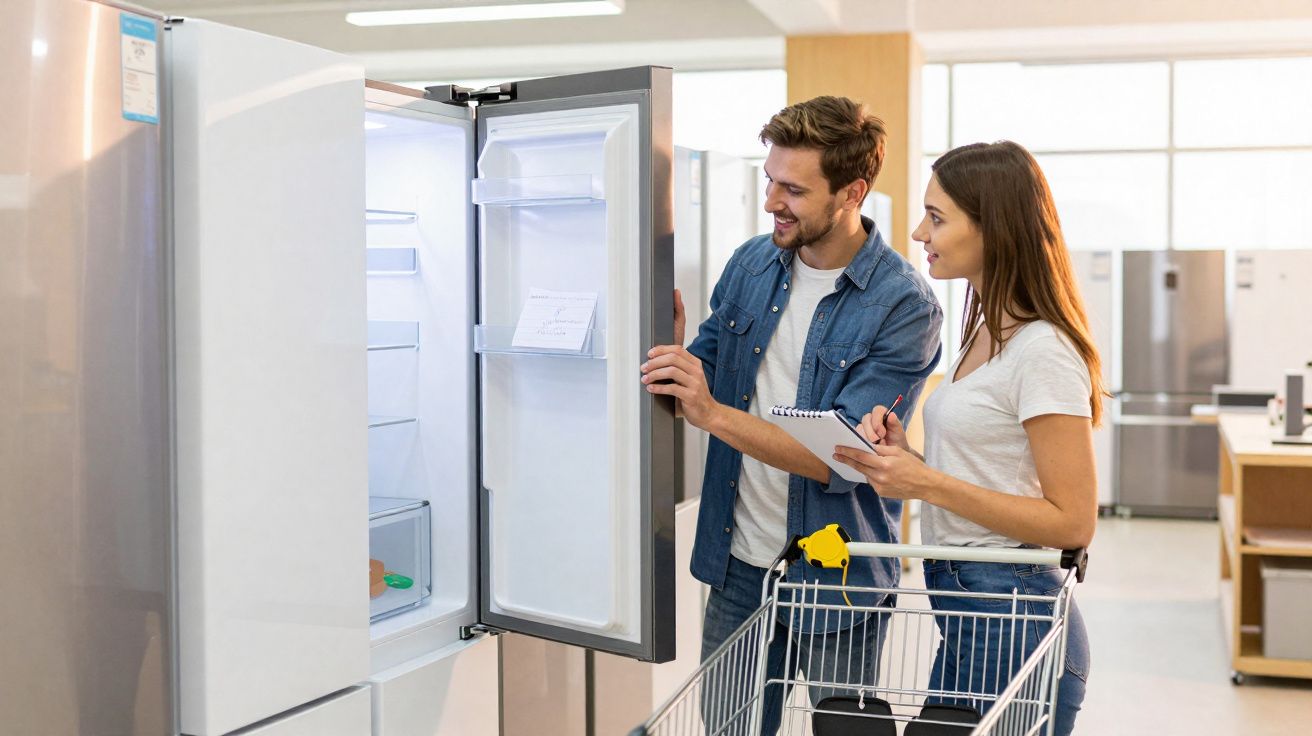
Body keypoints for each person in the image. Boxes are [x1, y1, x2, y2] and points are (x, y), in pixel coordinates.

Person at [641, 96, 943, 735]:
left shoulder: (904, 305)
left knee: (841, 731)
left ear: (852, 192)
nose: (772, 202)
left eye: (794, 190)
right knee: (727, 728)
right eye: (770, 181)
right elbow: (703, 377)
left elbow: (843, 456)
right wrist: (672, 359)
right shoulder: (751, 264)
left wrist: (711, 411)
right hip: (737, 562)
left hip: (837, 578)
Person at [833, 140, 1099, 736]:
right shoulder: (985, 333)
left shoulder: (1044, 350)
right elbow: (988, 474)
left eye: (937, 217)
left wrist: (925, 483)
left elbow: (1073, 523)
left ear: (993, 228)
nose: (919, 232)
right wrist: (906, 460)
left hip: (1013, 613)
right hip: (969, 608)